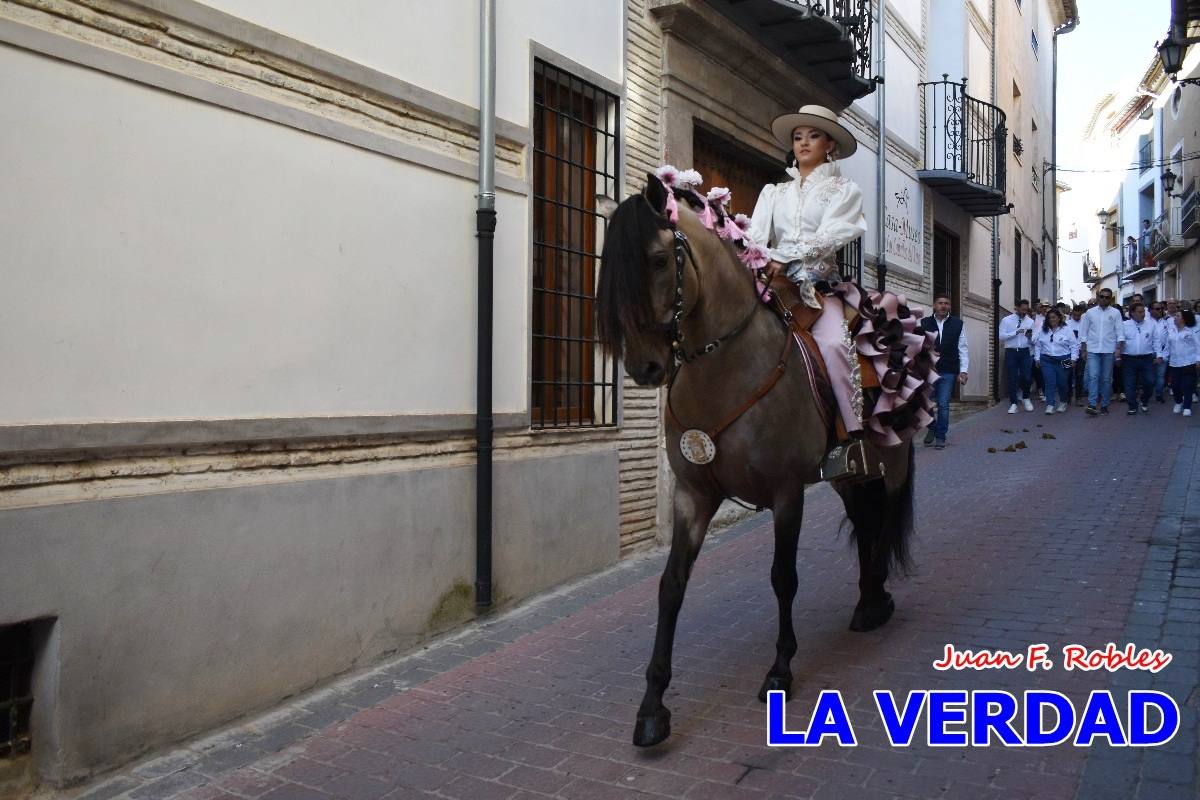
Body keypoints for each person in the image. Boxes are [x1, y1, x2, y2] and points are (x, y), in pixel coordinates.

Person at [752, 105, 868, 439]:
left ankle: (850, 436)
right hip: (774, 287)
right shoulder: (774, 192)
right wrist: (759, 257)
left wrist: (787, 257)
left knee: (833, 345)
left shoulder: (845, 191)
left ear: (829, 145)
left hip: (818, 292)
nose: (803, 142)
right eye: (798, 136)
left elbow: (830, 235)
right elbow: (756, 239)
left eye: (813, 136)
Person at [920, 293, 969, 449]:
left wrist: (964, 370)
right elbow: (917, 346)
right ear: (934, 305)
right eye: (940, 303)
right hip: (928, 369)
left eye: (946, 303)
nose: (943, 306)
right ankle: (932, 427)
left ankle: (940, 436)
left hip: (949, 369)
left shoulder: (958, 324)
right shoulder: (924, 323)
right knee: (924, 402)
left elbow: (963, 348)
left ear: (949, 306)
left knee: (943, 404)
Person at [1079, 288, 1125, 415]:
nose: (1104, 299)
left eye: (1107, 297)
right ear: (1098, 297)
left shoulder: (1115, 313)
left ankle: (1104, 404)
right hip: (1093, 349)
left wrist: (1118, 349)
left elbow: (1120, 332)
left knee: (1106, 379)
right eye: (1102, 297)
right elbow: (1084, 332)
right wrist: (1083, 349)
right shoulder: (1090, 313)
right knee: (1093, 377)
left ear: (1110, 299)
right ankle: (1092, 404)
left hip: (1108, 350)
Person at [1032, 308, 1078, 414]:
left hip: (1064, 359)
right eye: (1049, 318)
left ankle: (1063, 402)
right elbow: (1038, 346)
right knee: (1049, 382)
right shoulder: (1043, 331)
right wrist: (1037, 358)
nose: (1051, 320)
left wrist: (1073, 358)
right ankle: (1050, 404)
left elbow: (1074, 345)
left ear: (1059, 318)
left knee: (1062, 383)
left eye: (1054, 317)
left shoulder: (1067, 330)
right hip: (1047, 360)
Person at [1157, 309, 1200, 416]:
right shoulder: (1171, 332)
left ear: (1183, 318)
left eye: (1177, 316)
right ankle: (1178, 402)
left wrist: (1198, 359)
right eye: (1175, 316)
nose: (1175, 318)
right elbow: (1167, 347)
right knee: (1175, 386)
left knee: (1188, 386)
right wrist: (1163, 357)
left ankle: (1187, 407)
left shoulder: (1191, 331)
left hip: (1189, 363)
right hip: (1175, 363)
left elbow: (1198, 346)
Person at [998, 299, 1036, 413]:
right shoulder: (1006, 320)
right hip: (1011, 351)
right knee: (1012, 377)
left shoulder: (1030, 322)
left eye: (1026, 310)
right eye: (1022, 309)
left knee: (1027, 377)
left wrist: (1030, 337)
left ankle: (1026, 398)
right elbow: (1001, 336)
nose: (1024, 312)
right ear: (1017, 308)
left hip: (1025, 351)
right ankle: (1013, 403)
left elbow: (1033, 340)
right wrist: (1016, 332)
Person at [1119, 302, 1157, 415]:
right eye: (1140, 312)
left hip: (1147, 358)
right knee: (1129, 384)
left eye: (1144, 311)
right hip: (1129, 359)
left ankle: (1144, 400)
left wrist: (1159, 355)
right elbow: (1119, 341)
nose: (1143, 314)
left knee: (1150, 382)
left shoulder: (1150, 324)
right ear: (1132, 313)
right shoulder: (1124, 325)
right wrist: (1117, 356)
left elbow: (1156, 341)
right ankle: (1132, 406)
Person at [1149, 301, 1172, 403]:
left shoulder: (1166, 322)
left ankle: (1159, 394)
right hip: (1149, 353)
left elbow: (1169, 339)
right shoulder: (1146, 322)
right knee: (1148, 377)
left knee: (1160, 376)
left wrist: (1163, 354)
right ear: (1151, 310)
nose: (1160, 311)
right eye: (1157, 309)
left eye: (1161, 309)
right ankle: (1147, 395)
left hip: (1162, 353)